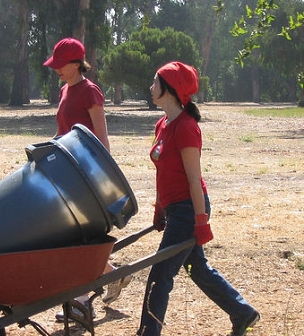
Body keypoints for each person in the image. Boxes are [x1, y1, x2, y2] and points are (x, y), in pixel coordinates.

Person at [137, 61, 260, 336]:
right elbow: (162, 172)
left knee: (160, 274)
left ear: (168, 89)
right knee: (197, 268)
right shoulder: (162, 124)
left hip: (189, 209)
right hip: (174, 209)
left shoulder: (186, 127)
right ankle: (243, 312)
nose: (150, 87)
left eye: (155, 82)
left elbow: (194, 179)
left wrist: (200, 221)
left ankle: (148, 333)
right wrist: (159, 209)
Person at [43, 37, 131, 321]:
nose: (56, 69)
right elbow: (63, 132)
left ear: (76, 63)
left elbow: (101, 139)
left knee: (76, 237)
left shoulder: (90, 92)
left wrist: (100, 178)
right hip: (65, 173)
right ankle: (111, 276)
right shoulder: (64, 91)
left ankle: (81, 303)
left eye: (61, 64)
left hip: (85, 176)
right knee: (70, 237)